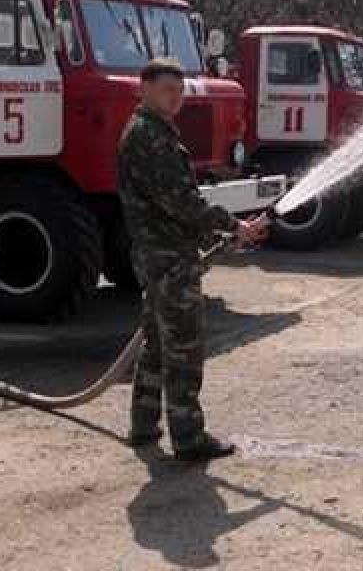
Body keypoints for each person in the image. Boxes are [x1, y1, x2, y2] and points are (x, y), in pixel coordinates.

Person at [117, 58, 269, 461]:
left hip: (157, 254)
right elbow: (181, 202)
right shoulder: (151, 137)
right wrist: (233, 226)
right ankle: (188, 437)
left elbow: (174, 206)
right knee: (183, 346)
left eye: (179, 90)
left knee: (155, 341)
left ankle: (144, 425)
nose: (175, 97)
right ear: (143, 88)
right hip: (167, 258)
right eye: (167, 89)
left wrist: (218, 231)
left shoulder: (149, 132)